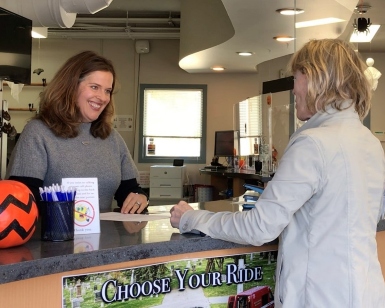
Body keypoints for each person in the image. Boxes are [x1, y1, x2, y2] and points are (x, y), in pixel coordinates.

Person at [170, 39, 385, 307]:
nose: (294, 90)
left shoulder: (313, 143)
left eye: (296, 78)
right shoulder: (370, 143)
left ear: (316, 78)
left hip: (317, 297)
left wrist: (193, 218)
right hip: (368, 294)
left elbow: (259, 228)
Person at [6, 51, 148, 214]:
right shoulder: (38, 133)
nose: (102, 97)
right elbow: (21, 202)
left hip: (104, 238)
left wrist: (140, 198)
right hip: (53, 237)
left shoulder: (112, 138)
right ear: (71, 87)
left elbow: (131, 191)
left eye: (107, 91)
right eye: (94, 87)